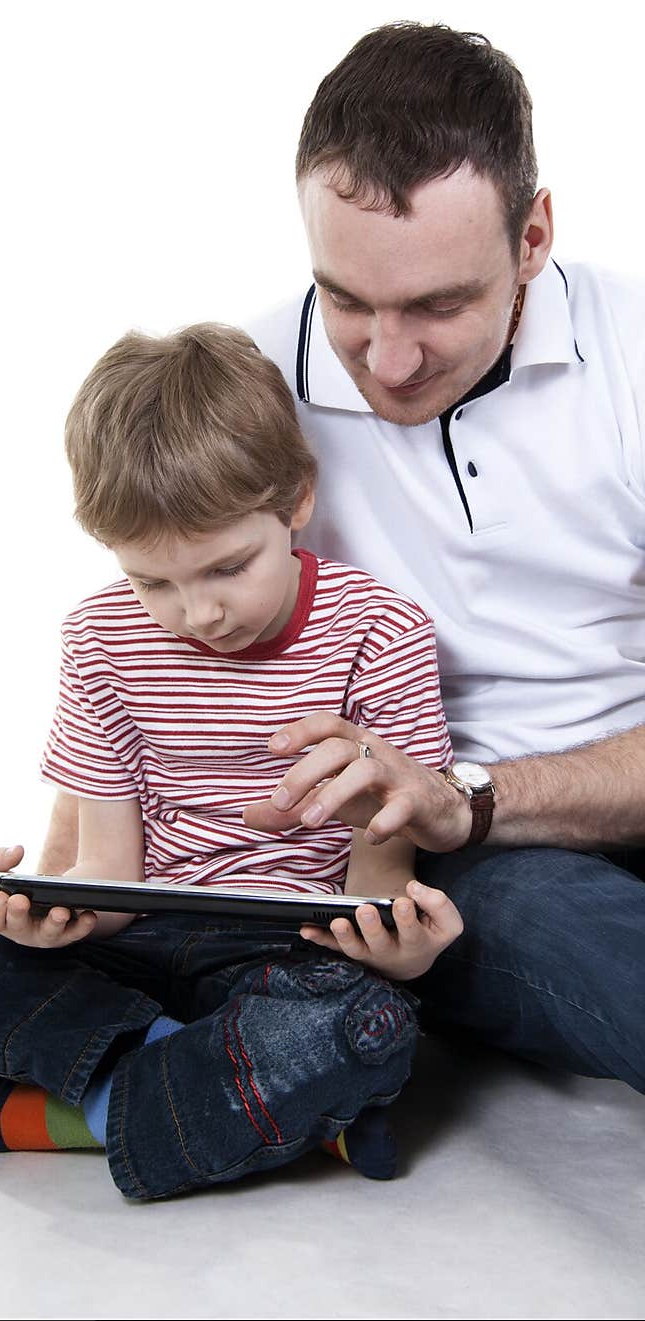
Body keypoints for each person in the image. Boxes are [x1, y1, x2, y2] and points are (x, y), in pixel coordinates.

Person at [0, 323, 464, 1199]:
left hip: (289, 954)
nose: (198, 613)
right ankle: (240, 1100)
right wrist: (53, 913)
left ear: (297, 499)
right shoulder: (100, 638)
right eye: (153, 582)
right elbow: (106, 868)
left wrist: (403, 952)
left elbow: (376, 882)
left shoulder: (380, 629)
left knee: (369, 1022)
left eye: (228, 567)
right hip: (138, 949)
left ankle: (3, 1115)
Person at [238, 21, 645, 1092]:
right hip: (463, 865)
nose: (389, 357)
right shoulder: (245, 393)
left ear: (532, 237)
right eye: (347, 299)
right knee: (573, 936)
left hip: (545, 788)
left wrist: (476, 788)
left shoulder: (634, 355)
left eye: (438, 304)